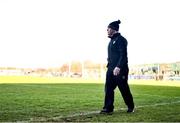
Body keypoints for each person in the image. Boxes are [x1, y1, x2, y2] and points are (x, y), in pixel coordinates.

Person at [100, 20, 134, 114]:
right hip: (110, 69)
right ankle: (108, 108)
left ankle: (131, 106)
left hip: (120, 70)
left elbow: (123, 55)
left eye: (108, 28)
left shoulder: (121, 40)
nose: (107, 30)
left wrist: (118, 67)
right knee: (108, 88)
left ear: (114, 29)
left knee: (123, 88)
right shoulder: (111, 41)